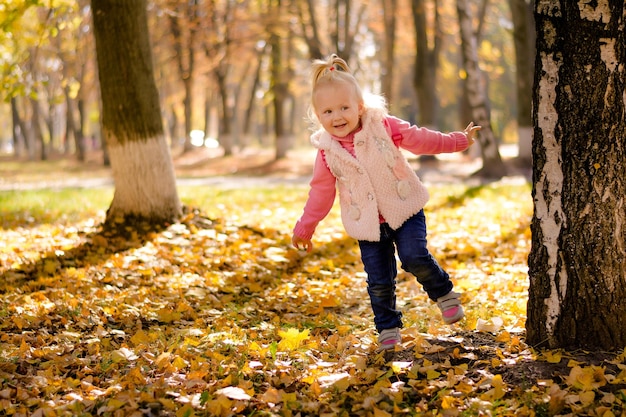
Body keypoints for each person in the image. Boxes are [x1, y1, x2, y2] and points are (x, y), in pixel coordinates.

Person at [291, 54, 481, 351]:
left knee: (414, 256)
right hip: (367, 224)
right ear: (318, 116)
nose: (337, 116)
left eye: (344, 107)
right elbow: (320, 193)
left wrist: (457, 141)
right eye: (328, 111)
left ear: (360, 107)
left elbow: (420, 139)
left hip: (404, 208)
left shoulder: (382, 125)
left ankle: (444, 293)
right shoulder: (327, 151)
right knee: (379, 280)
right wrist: (305, 227)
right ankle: (388, 329)